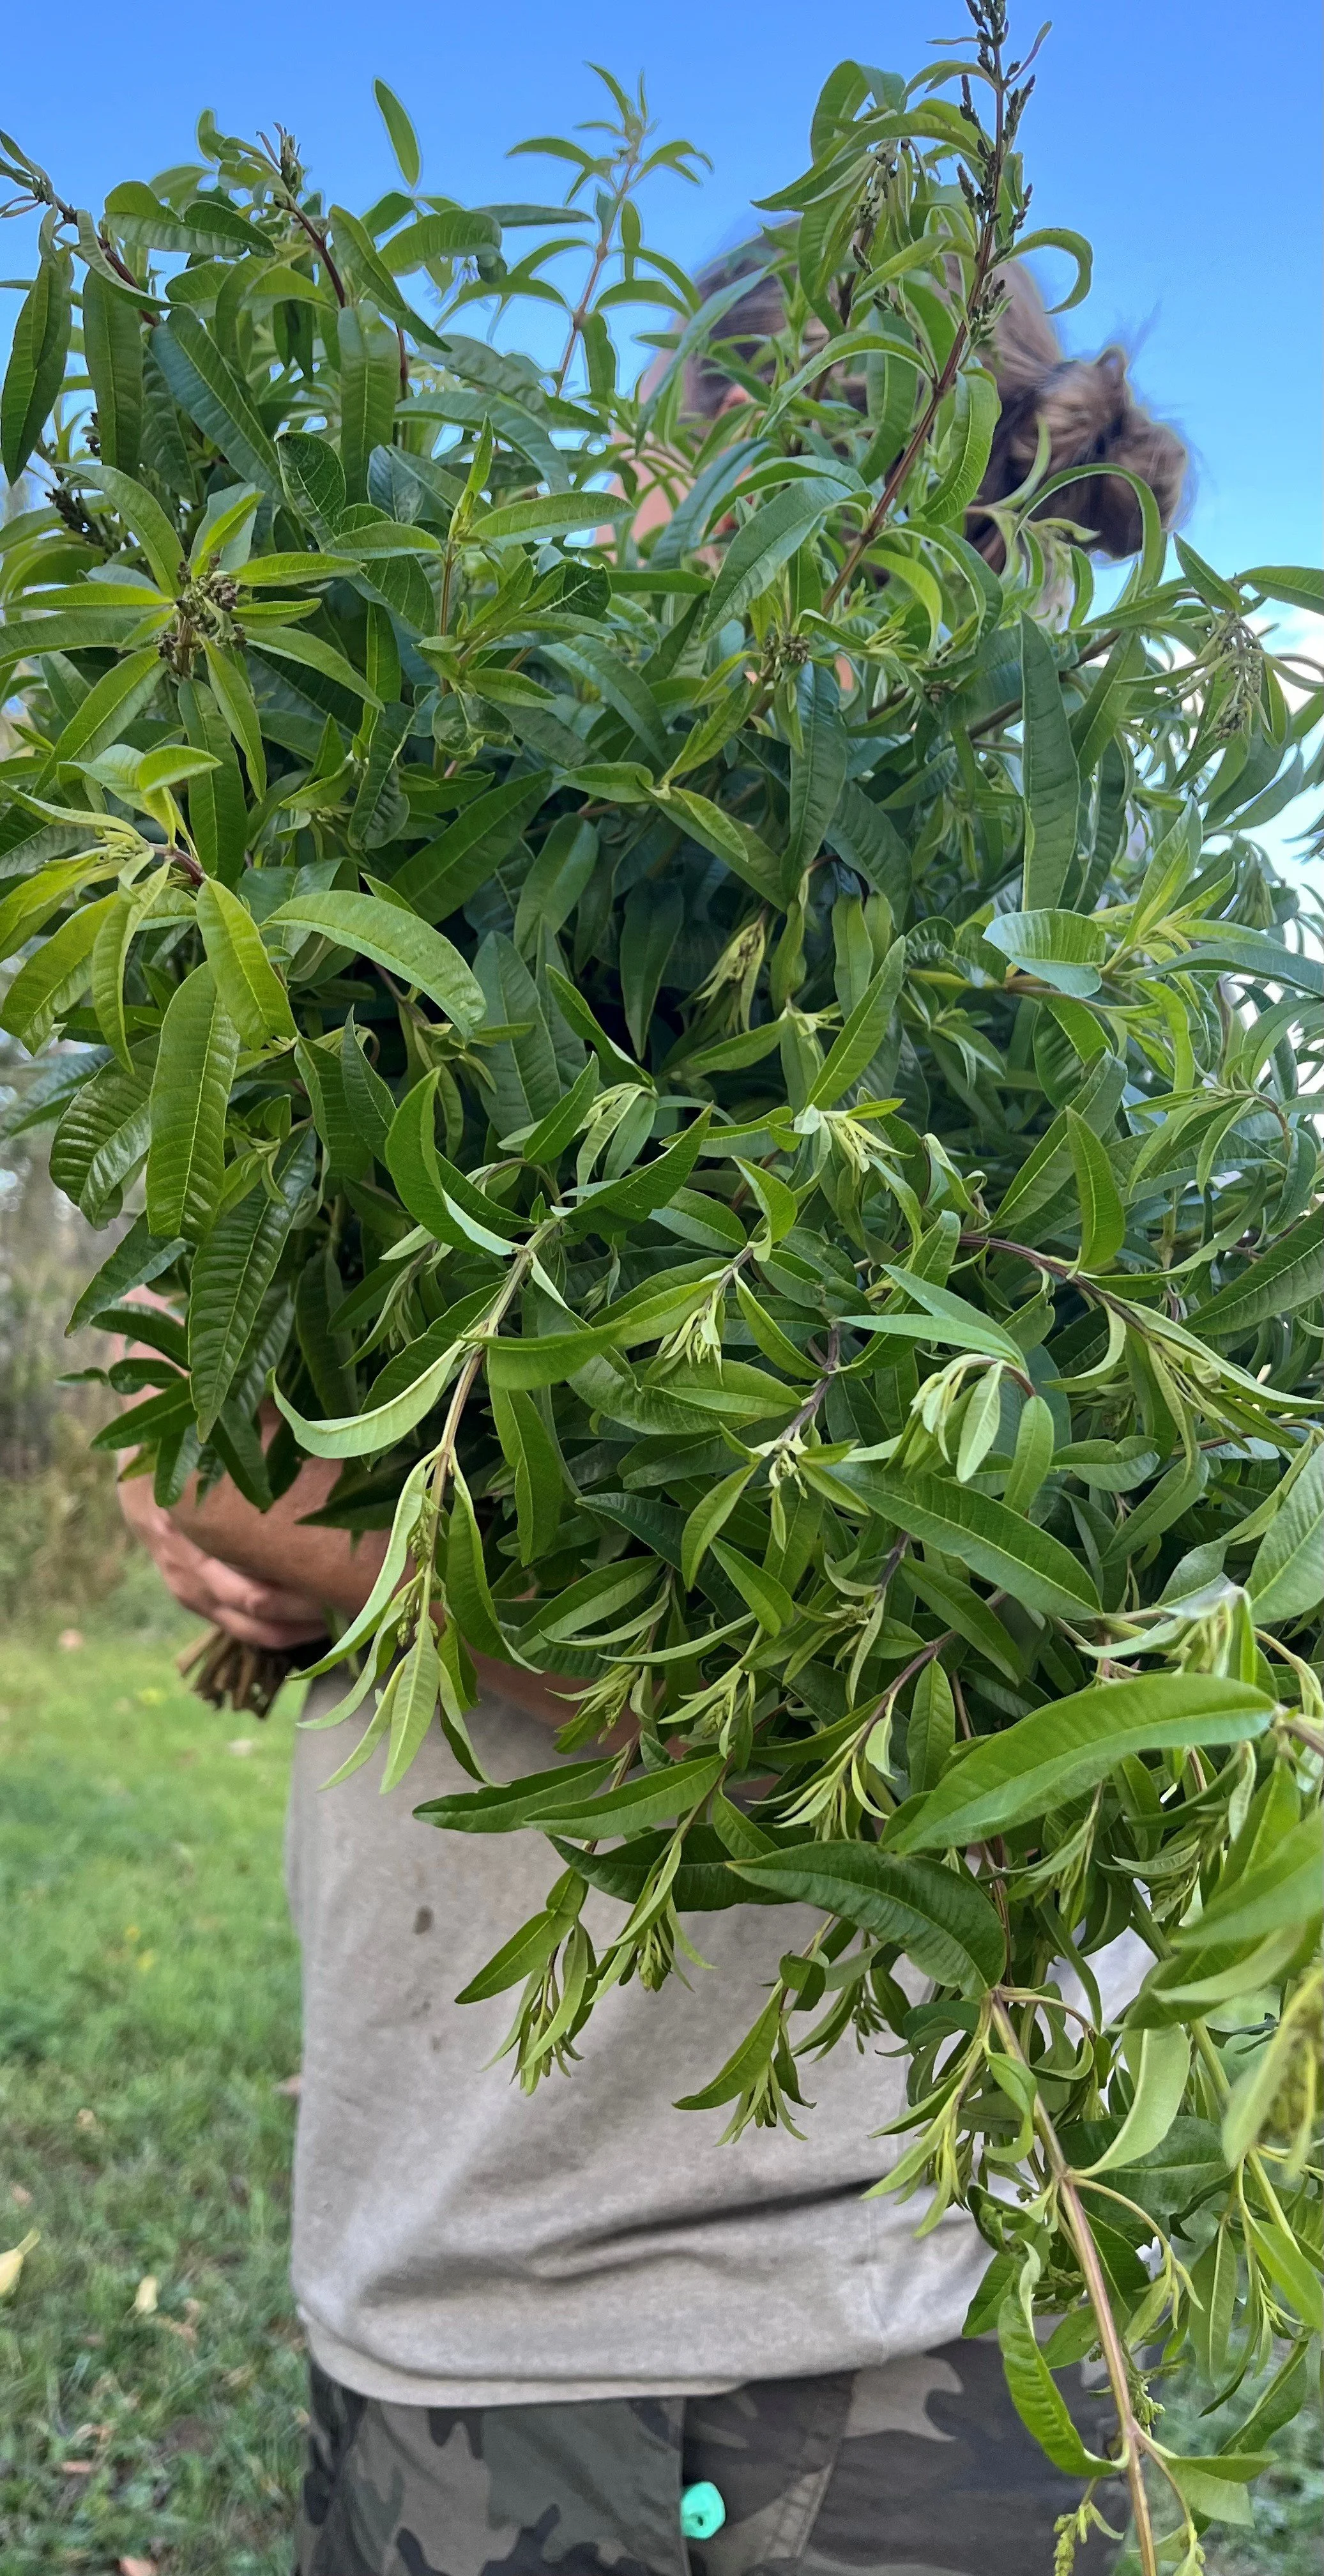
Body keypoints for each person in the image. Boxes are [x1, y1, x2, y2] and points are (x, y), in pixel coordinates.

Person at [116, 272, 1182, 2576]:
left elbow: (961, 1743)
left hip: (861, 2334)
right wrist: (269, 1514)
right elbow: (221, 1396)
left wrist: (393, 1579)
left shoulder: (1066, 996)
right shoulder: (513, 878)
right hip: (467, 2269)